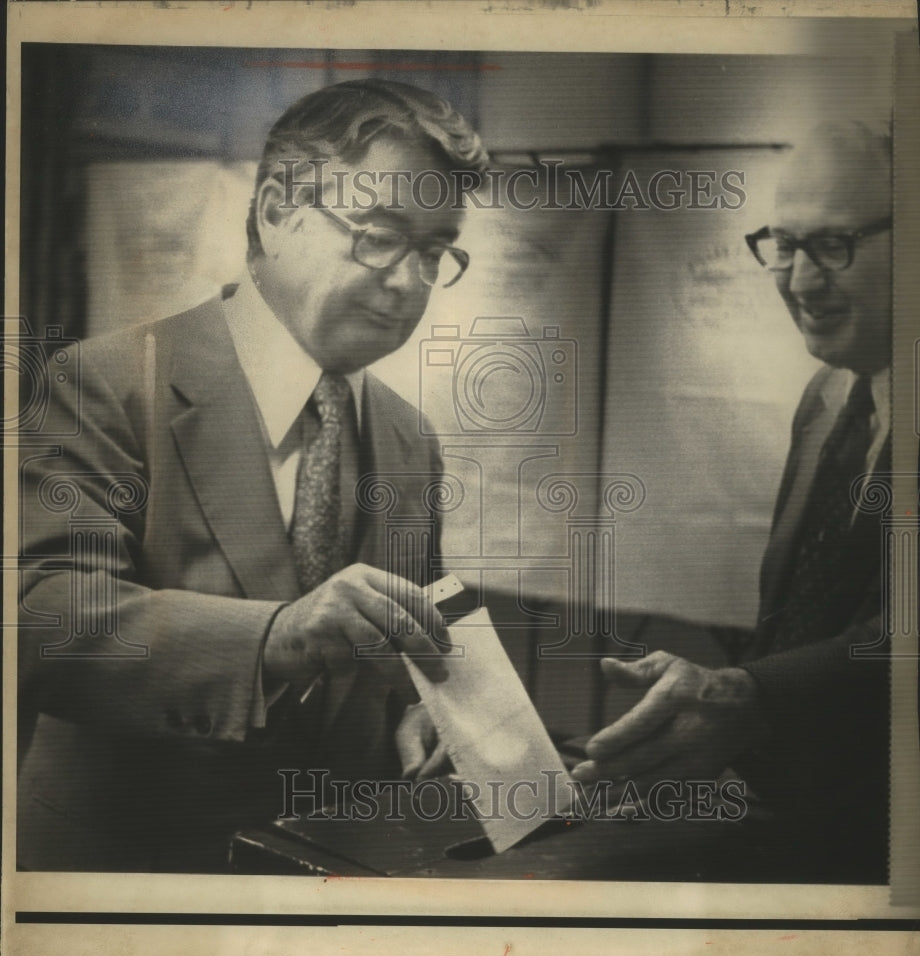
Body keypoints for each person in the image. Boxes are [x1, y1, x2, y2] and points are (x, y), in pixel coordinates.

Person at [18, 79, 489, 872]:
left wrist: (426, 709)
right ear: (276, 210)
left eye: (435, 251)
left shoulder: (410, 438)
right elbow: (41, 622)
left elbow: (407, 652)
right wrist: (278, 637)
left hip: (338, 873)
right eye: (379, 235)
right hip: (136, 879)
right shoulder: (103, 383)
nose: (410, 282)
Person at [574, 121, 892, 880]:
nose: (801, 282)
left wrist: (752, 695)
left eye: (835, 245)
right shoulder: (826, 397)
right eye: (783, 245)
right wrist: (720, 715)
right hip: (795, 832)